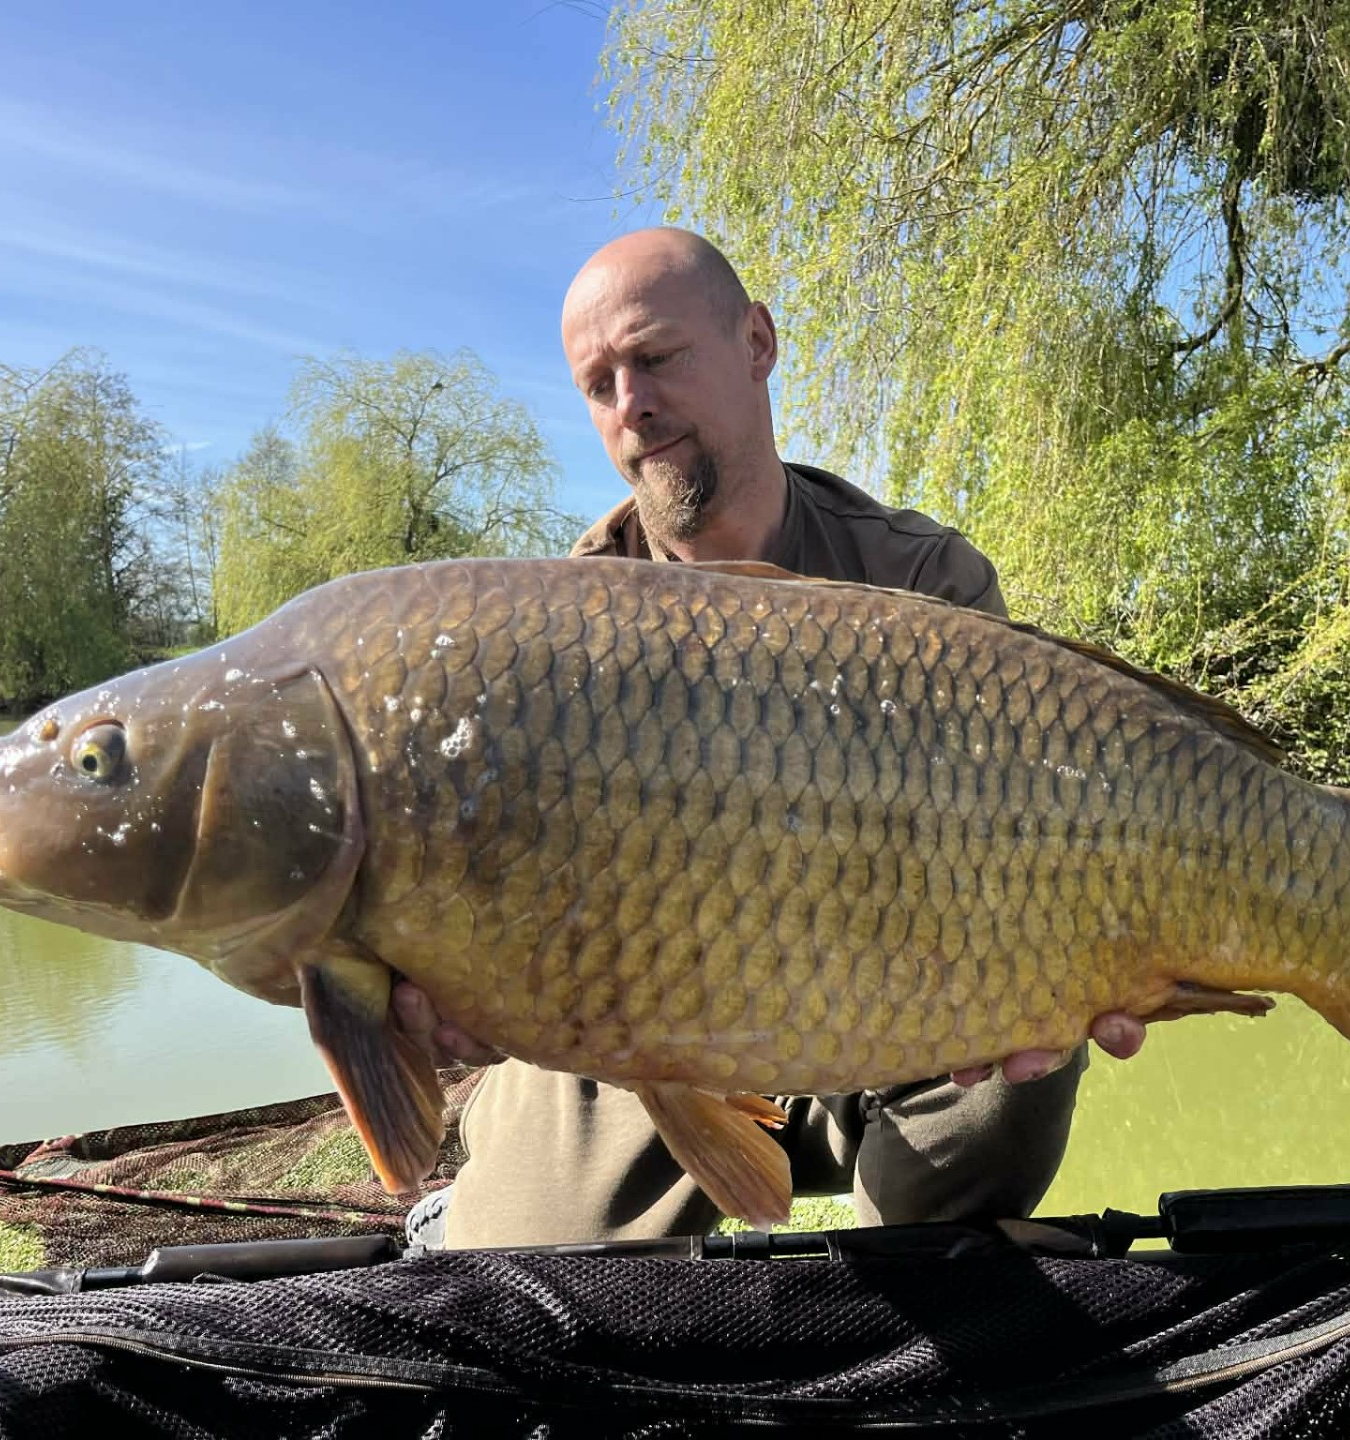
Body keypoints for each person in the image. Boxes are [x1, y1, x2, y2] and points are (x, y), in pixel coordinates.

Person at [393, 227, 1147, 1249]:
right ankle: (492, 1190)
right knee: (523, 1274)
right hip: (635, 1044)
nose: (632, 406)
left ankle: (901, 1304)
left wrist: (1096, 955)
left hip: (884, 1016)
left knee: (1027, 1047)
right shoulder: (557, 646)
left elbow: (1032, 849)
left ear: (756, 342)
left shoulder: (925, 583)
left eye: (655, 359)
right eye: (599, 383)